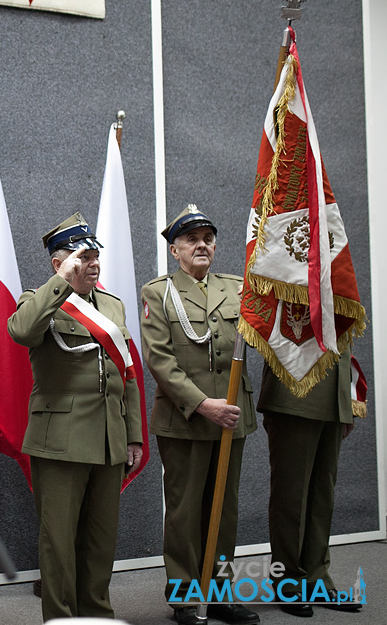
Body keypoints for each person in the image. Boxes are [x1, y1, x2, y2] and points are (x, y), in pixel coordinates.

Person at [7, 212, 143, 622]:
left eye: (95, 255)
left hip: (108, 440)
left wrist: (133, 435)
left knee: (100, 542)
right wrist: (61, 282)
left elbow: (129, 375)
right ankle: (63, 618)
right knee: (59, 542)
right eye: (82, 256)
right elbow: (22, 331)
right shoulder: (40, 300)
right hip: (61, 440)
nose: (93, 263)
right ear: (59, 263)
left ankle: (97, 614)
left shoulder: (113, 306)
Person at [140, 205, 259, 625]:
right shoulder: (158, 293)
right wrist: (204, 405)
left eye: (208, 237)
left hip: (230, 415)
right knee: (185, 510)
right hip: (187, 418)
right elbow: (160, 361)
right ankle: (187, 598)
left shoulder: (238, 288)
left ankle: (221, 593)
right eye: (192, 239)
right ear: (175, 250)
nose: (202, 245)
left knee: (224, 510)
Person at [259, 347, 363, 617]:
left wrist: (347, 401)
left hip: (333, 397)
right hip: (294, 393)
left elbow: (342, 338)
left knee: (322, 496)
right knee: (291, 497)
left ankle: (317, 580)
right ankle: (288, 583)